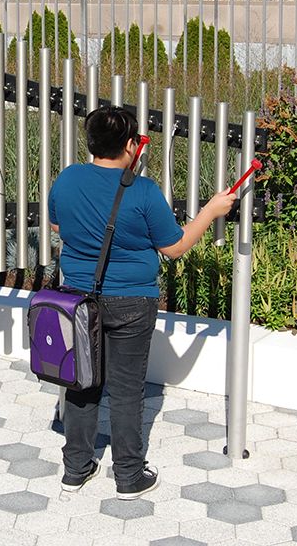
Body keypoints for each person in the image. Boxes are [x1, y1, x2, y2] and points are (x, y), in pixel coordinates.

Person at [48, 106, 236, 500]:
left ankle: (75, 469)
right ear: (132, 145)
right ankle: (129, 476)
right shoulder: (145, 191)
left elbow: (57, 226)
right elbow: (175, 247)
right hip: (133, 302)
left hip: (79, 301)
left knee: (81, 383)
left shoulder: (67, 179)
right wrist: (211, 211)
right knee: (127, 389)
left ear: (92, 142)